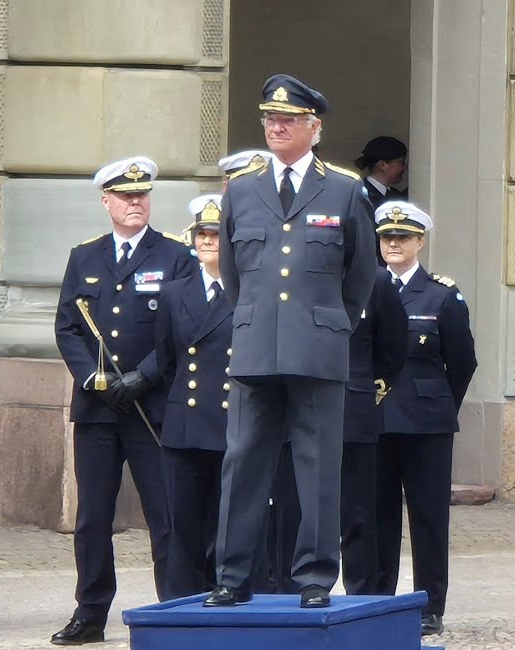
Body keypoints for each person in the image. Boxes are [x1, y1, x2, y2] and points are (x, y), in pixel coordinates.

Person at [207, 74, 377, 610]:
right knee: (243, 462)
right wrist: (259, 321)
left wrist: (330, 325)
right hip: (257, 344)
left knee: (318, 466)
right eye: (269, 119)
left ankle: (315, 576)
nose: (276, 127)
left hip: (318, 346)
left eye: (288, 120)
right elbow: (235, 278)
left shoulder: (345, 191)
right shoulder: (242, 190)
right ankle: (233, 576)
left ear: (314, 128)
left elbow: (360, 277)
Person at [50, 157, 194, 645]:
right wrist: (91, 377)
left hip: (150, 408)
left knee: (165, 513)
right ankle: (90, 612)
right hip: (97, 409)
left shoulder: (175, 256)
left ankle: (172, 608)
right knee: (93, 517)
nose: (135, 202)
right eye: (125, 195)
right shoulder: (84, 256)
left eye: (142, 195)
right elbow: (68, 326)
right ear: (106, 201)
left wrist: (143, 377)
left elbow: (181, 332)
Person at [272, 247, 408, 595]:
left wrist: (363, 386)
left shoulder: (377, 282)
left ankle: (363, 597)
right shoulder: (294, 274)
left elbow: (391, 350)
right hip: (299, 411)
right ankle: (294, 593)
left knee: (358, 517)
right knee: (296, 513)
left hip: (354, 411)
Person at [372, 201, 477, 635]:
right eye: (387, 237)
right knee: (374, 516)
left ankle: (430, 603)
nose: (393, 244)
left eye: (403, 237)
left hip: (426, 422)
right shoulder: (364, 289)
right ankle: (376, 600)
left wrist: (438, 404)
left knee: (428, 518)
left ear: (420, 241)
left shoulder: (441, 294)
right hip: (374, 421)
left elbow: (463, 362)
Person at [155, 194, 233, 598]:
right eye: (202, 234)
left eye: (216, 234)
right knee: (182, 523)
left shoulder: (246, 292)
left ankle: (229, 596)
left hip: (231, 422)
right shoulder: (173, 293)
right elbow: (169, 360)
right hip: (185, 425)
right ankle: (180, 602)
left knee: (229, 523)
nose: (208, 242)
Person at [355, 136, 408, 208]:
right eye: (401, 162)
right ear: (383, 164)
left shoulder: (396, 194)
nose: (405, 167)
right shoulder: (360, 195)